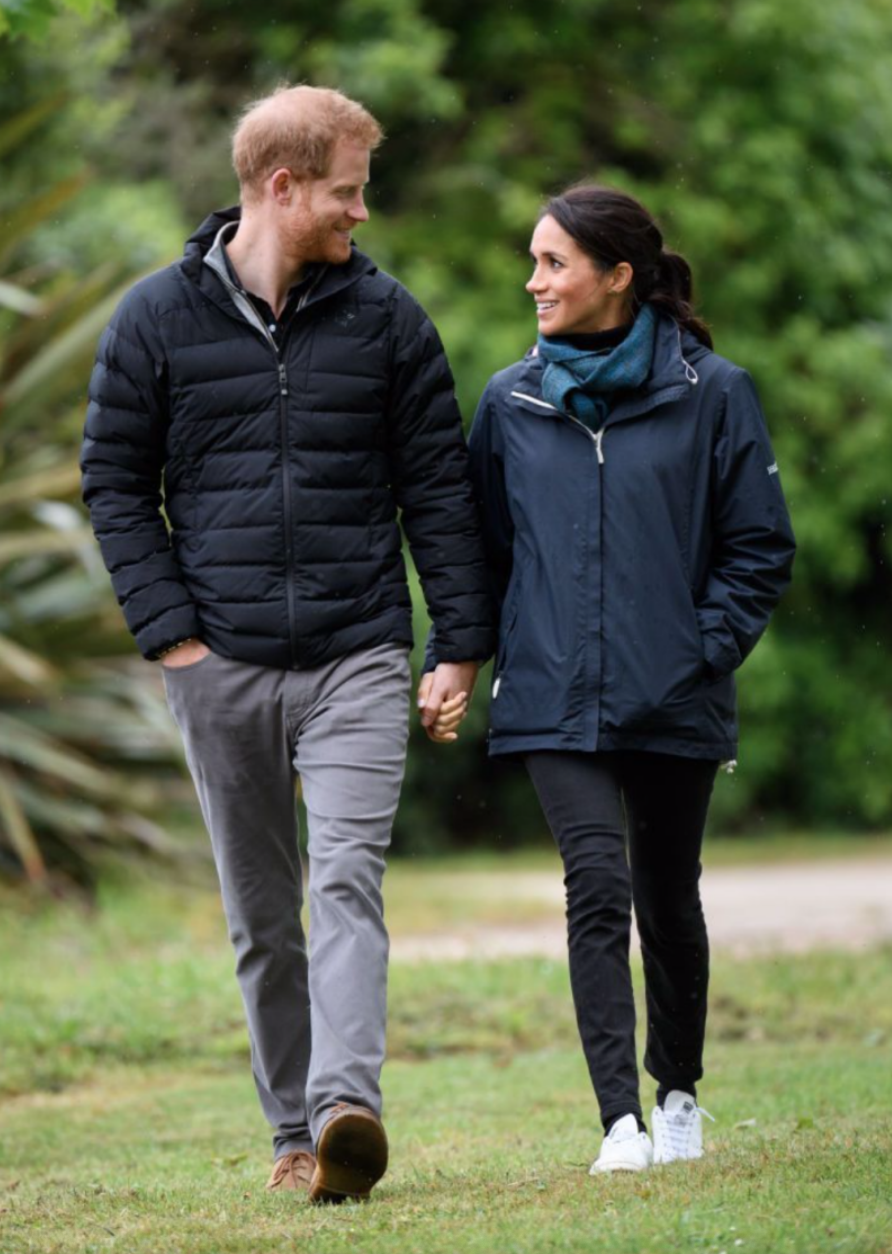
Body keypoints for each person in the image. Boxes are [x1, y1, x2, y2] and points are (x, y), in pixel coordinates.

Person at [81, 85, 493, 1203]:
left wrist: (457, 643)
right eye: (348, 192)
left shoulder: (390, 321)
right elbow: (114, 486)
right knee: (263, 919)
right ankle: (292, 1137)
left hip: (357, 654)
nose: (362, 214)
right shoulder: (153, 321)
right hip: (218, 664)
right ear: (282, 185)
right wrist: (172, 640)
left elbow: (438, 494)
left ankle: (346, 1107)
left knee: (345, 883)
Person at [423, 184, 795, 1173]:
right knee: (596, 888)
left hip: (674, 693)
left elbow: (758, 548)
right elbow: (480, 556)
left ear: (616, 276)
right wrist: (455, 658)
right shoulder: (510, 402)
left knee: (667, 897)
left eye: (552, 262)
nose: (531, 280)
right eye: (533, 260)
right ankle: (617, 1123)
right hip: (550, 696)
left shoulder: (714, 393)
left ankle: (677, 1092)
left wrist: (698, 652)